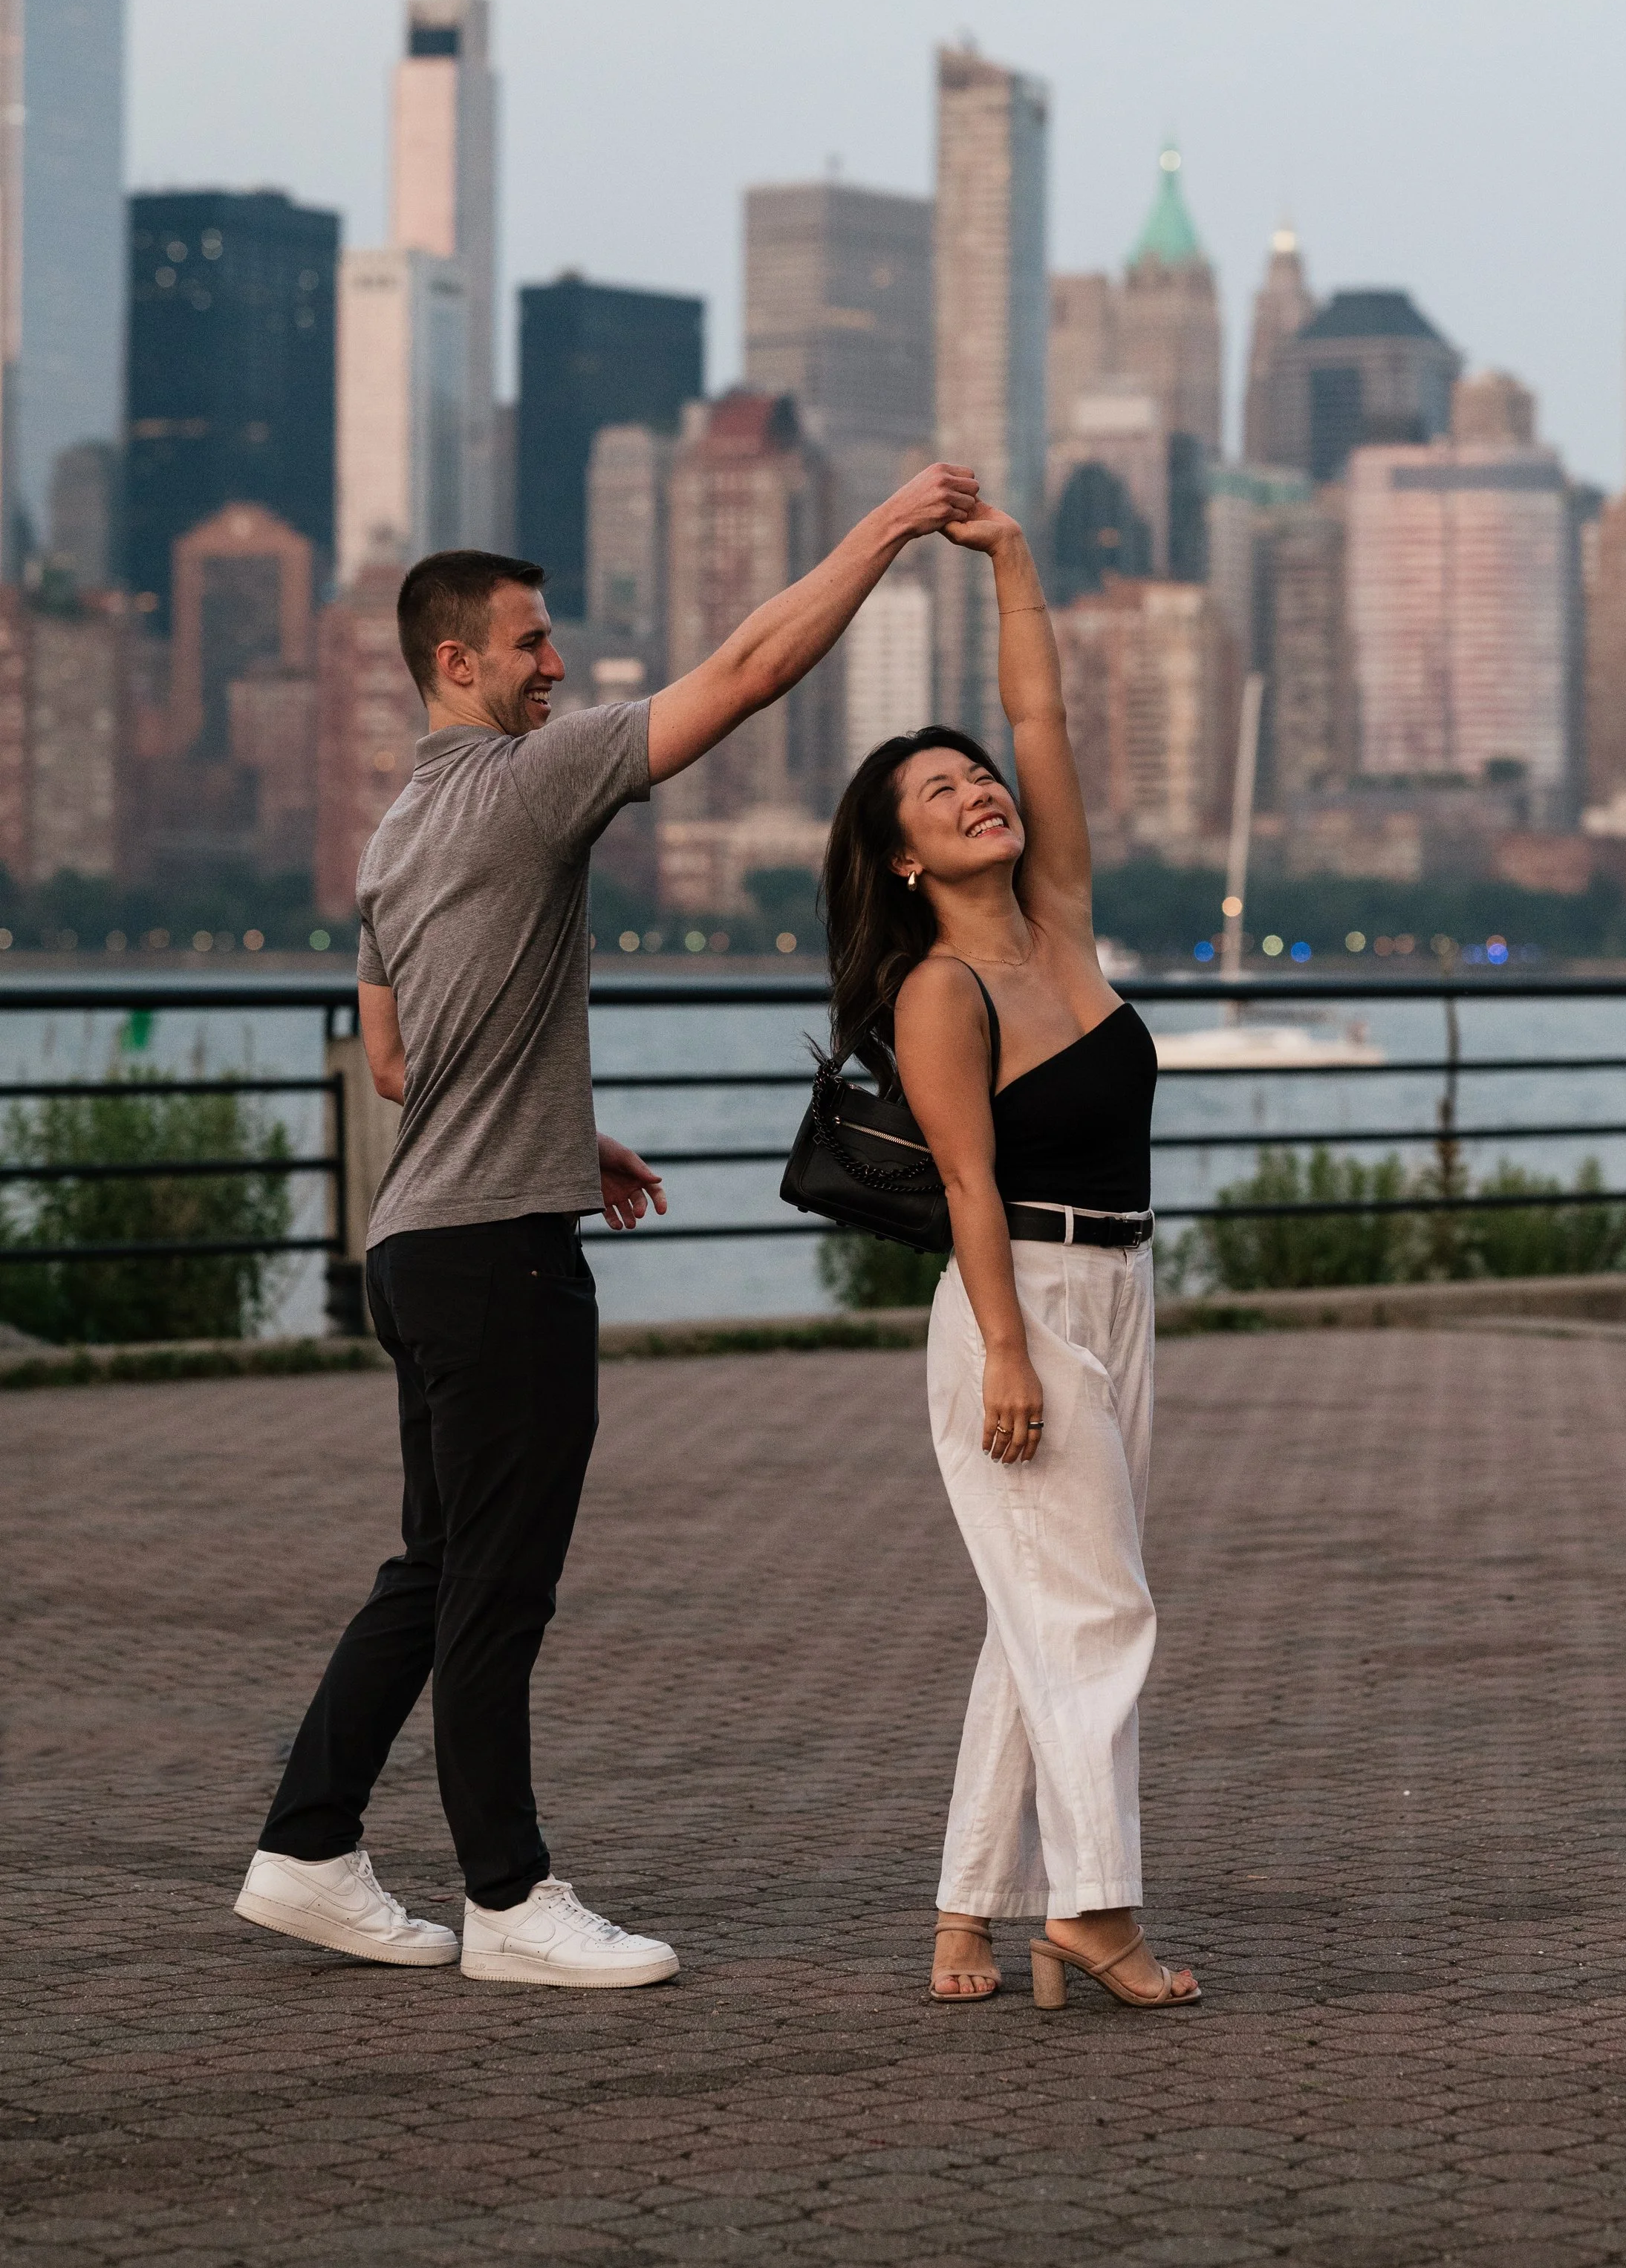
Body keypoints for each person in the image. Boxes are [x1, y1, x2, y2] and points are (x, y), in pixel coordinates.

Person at [235, 461, 978, 1989]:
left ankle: (308, 1849)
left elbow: (392, 1058)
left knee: (433, 1571)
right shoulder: (528, 780)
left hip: (415, 1245)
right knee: (491, 1587)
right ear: (455, 659)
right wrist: (887, 527)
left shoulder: (390, 838)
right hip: (497, 1253)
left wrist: (561, 1124)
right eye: (529, 642)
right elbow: (754, 668)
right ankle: (507, 1900)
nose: (553, 663)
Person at [821, 501, 1200, 2011]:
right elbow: (968, 1188)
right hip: (1021, 1301)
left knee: (1039, 1614)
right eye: (937, 789)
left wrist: (1012, 564)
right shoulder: (935, 990)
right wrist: (1000, 1354)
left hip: (1121, 1284)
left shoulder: (1060, 918)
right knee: (1096, 1611)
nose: (978, 789)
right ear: (899, 854)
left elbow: (1038, 709)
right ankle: (1090, 1909)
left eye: (974, 774)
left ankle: (967, 1910)